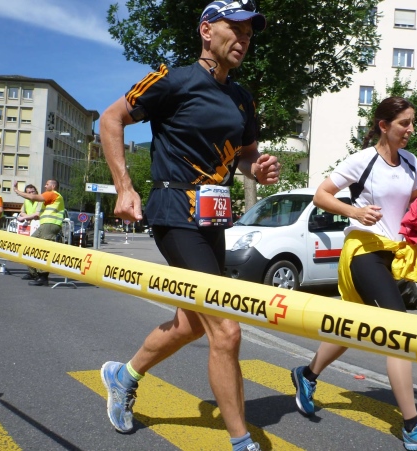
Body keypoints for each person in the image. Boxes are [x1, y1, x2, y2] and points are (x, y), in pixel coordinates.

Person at [98, 2, 278, 450]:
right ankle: (241, 442)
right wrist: (124, 187)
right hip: (174, 213)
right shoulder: (173, 80)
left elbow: (246, 155)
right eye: (235, 28)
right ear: (206, 31)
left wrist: (258, 168)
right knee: (226, 328)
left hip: (213, 218)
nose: (243, 39)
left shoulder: (242, 97)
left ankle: (124, 376)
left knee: (192, 324)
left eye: (249, 33)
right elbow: (111, 118)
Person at [290, 97, 417, 451]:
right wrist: (355, 212)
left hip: (391, 254)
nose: (411, 129)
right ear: (384, 125)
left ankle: (306, 375)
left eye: (412, 122)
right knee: (399, 331)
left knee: (351, 326)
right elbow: (321, 196)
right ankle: (412, 426)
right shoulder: (362, 160)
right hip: (363, 250)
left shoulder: (411, 162)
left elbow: (412, 203)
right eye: (404, 123)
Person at [13, 179, 65, 286]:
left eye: (47, 184)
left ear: (53, 186)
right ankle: (35, 274)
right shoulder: (49, 198)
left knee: (43, 250)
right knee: (29, 245)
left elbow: (33, 197)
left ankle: (43, 277)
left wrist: (16, 190)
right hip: (45, 224)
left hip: (50, 224)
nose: (45, 186)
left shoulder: (53, 194)